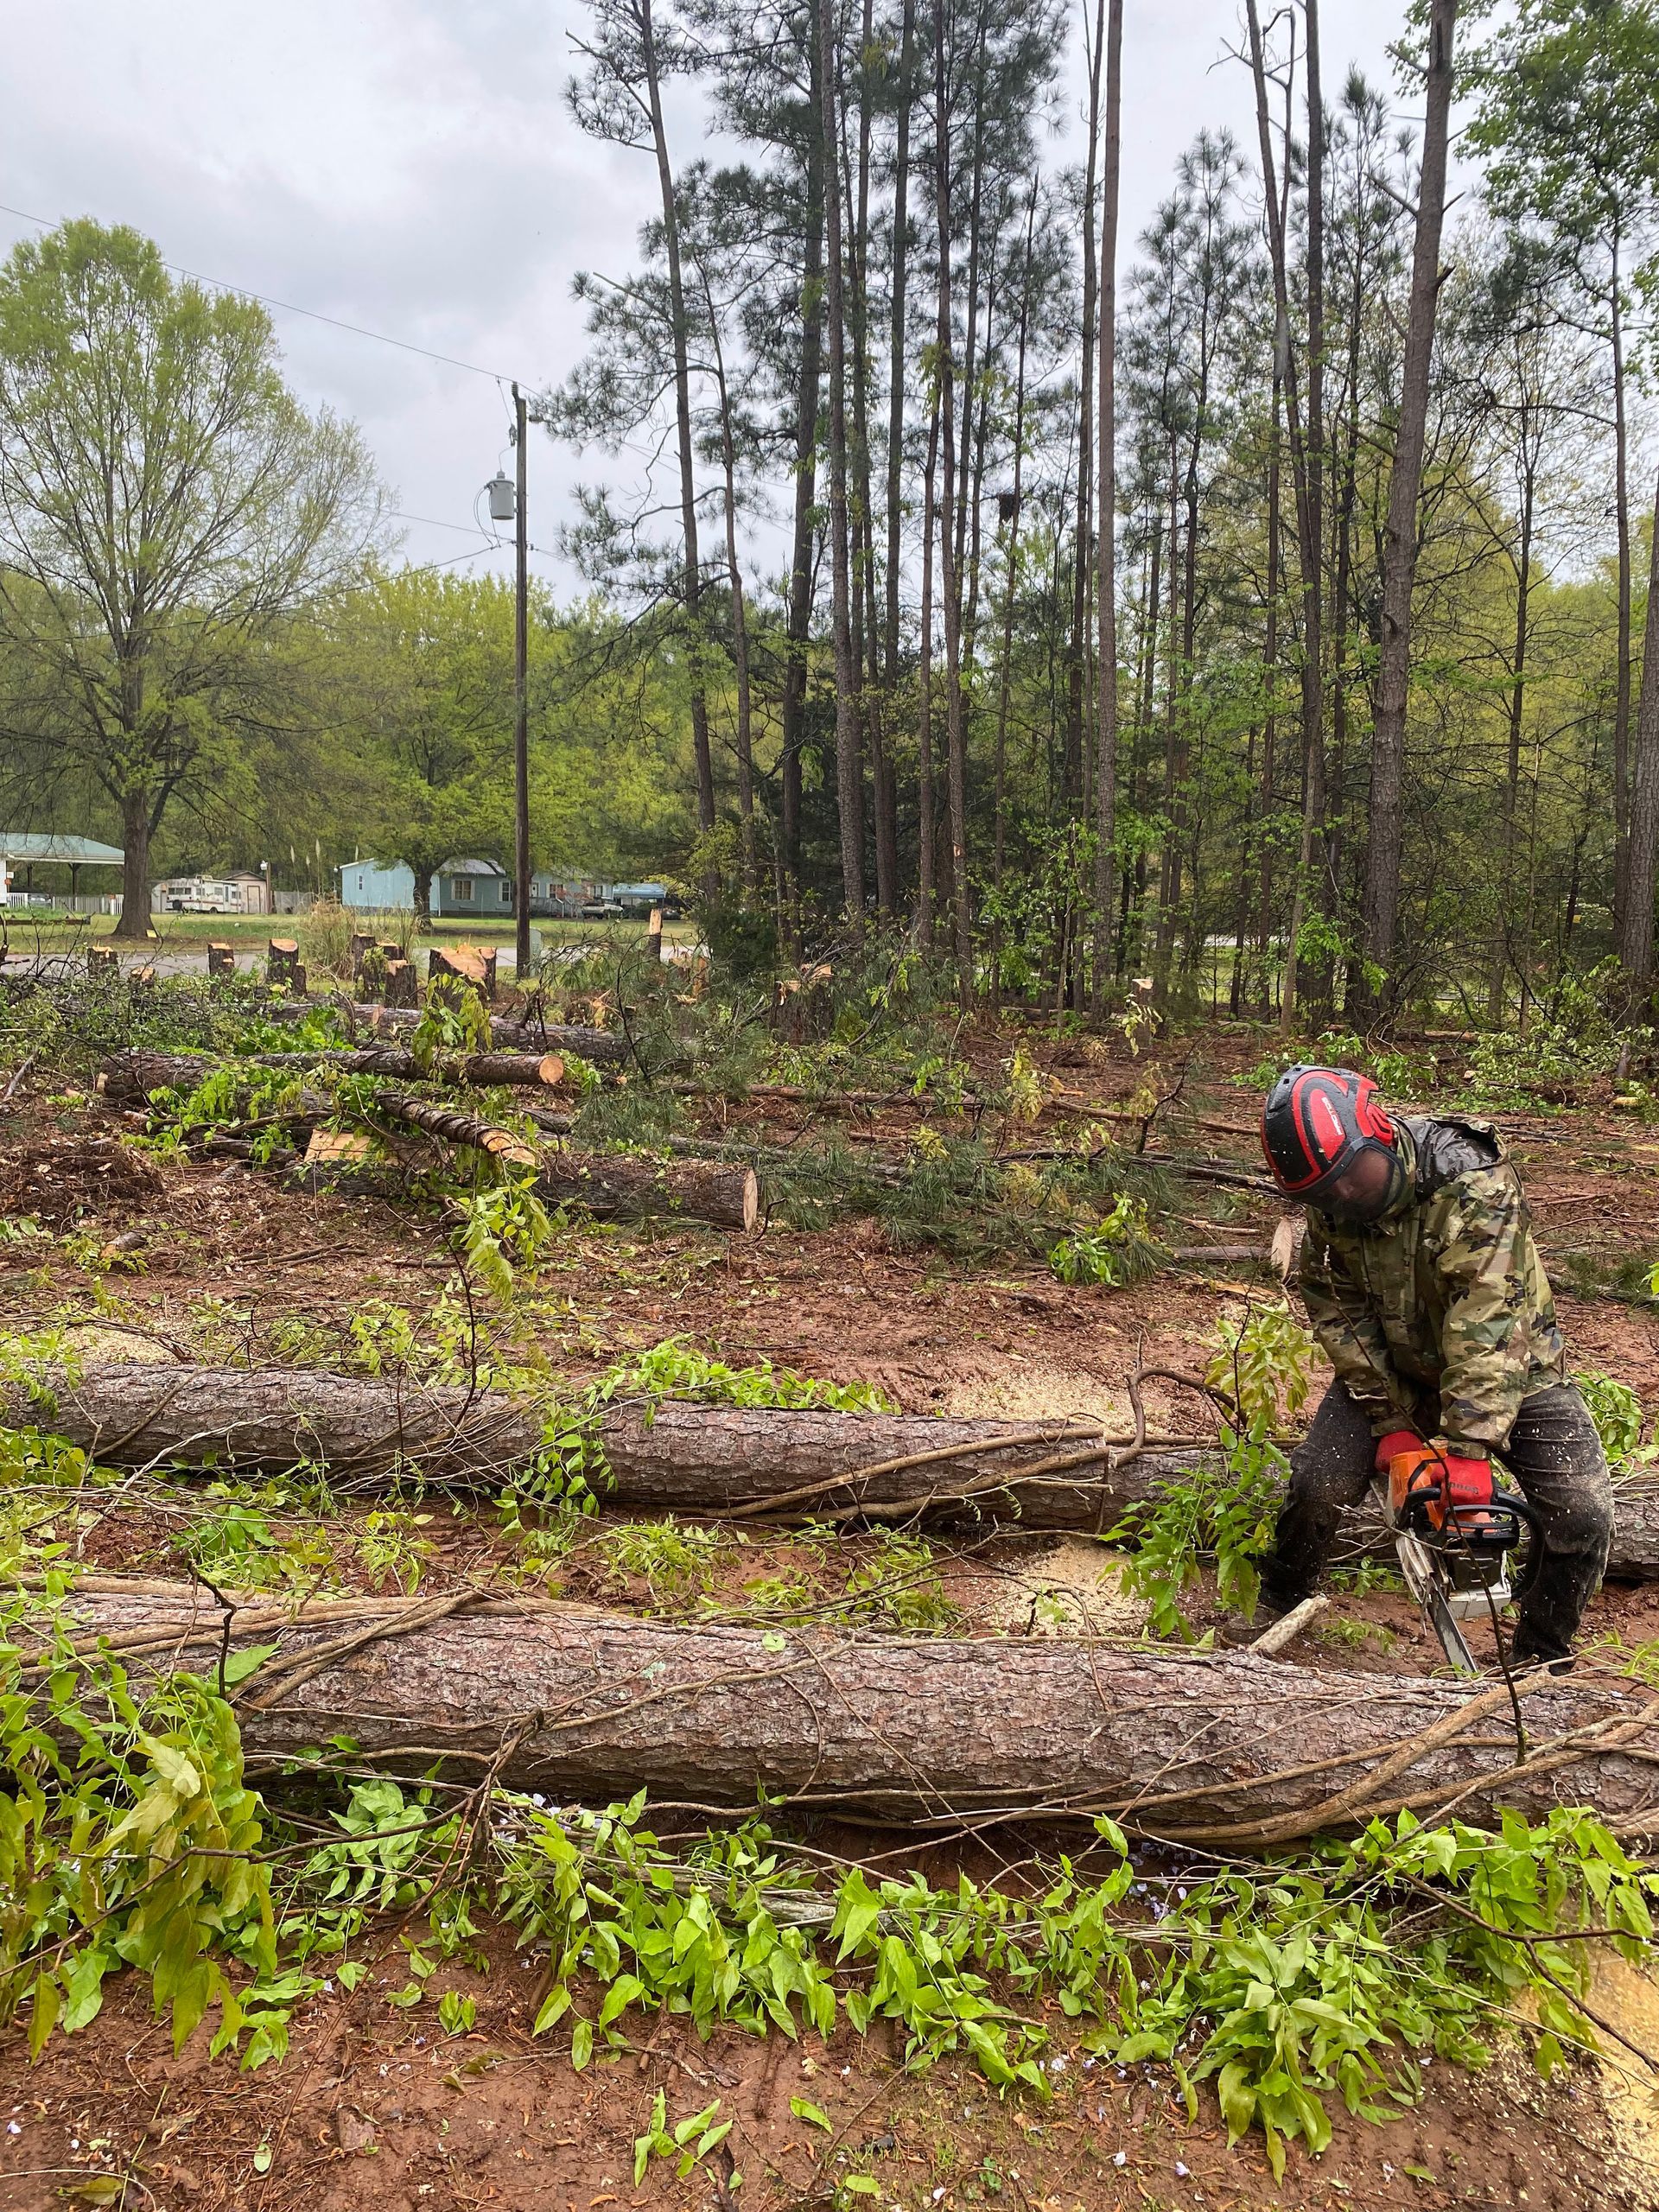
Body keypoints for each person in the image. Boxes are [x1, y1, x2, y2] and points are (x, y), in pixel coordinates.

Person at [1249, 1064, 1612, 1668]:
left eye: (1353, 1178)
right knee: (1318, 1484)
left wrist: (1467, 1450)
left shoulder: (1471, 1181)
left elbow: (1489, 1320)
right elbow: (1338, 1311)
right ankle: (1278, 1606)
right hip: (1397, 1365)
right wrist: (1389, 1418)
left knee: (1582, 1512)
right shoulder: (1330, 1200)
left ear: (1381, 1132)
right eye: (1324, 1191)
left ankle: (1541, 1660)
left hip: (1517, 1366)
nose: (1344, 1197)